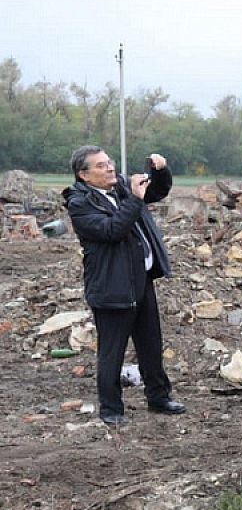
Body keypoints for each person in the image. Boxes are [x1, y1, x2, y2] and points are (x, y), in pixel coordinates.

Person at [64, 146, 185, 426]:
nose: (110, 169)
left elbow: (155, 192)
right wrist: (134, 197)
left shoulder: (119, 186)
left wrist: (160, 171)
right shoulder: (80, 203)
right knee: (112, 350)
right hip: (110, 287)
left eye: (110, 163)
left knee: (151, 344)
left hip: (140, 281)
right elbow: (113, 230)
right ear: (84, 175)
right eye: (101, 166)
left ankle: (159, 397)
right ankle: (111, 409)